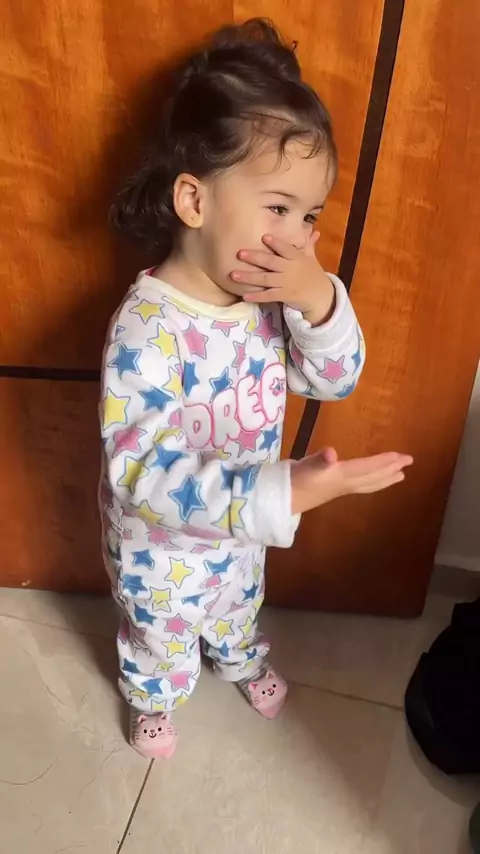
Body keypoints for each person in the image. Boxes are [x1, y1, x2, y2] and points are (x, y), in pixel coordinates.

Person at [99, 18, 413, 760]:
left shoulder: (269, 304)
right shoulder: (146, 329)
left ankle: (239, 655)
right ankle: (153, 694)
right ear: (194, 201)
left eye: (309, 217)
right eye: (278, 209)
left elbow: (335, 378)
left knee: (239, 604)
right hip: (161, 551)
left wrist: (317, 299)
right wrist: (281, 493)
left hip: (242, 537)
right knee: (161, 632)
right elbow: (139, 472)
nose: (298, 238)